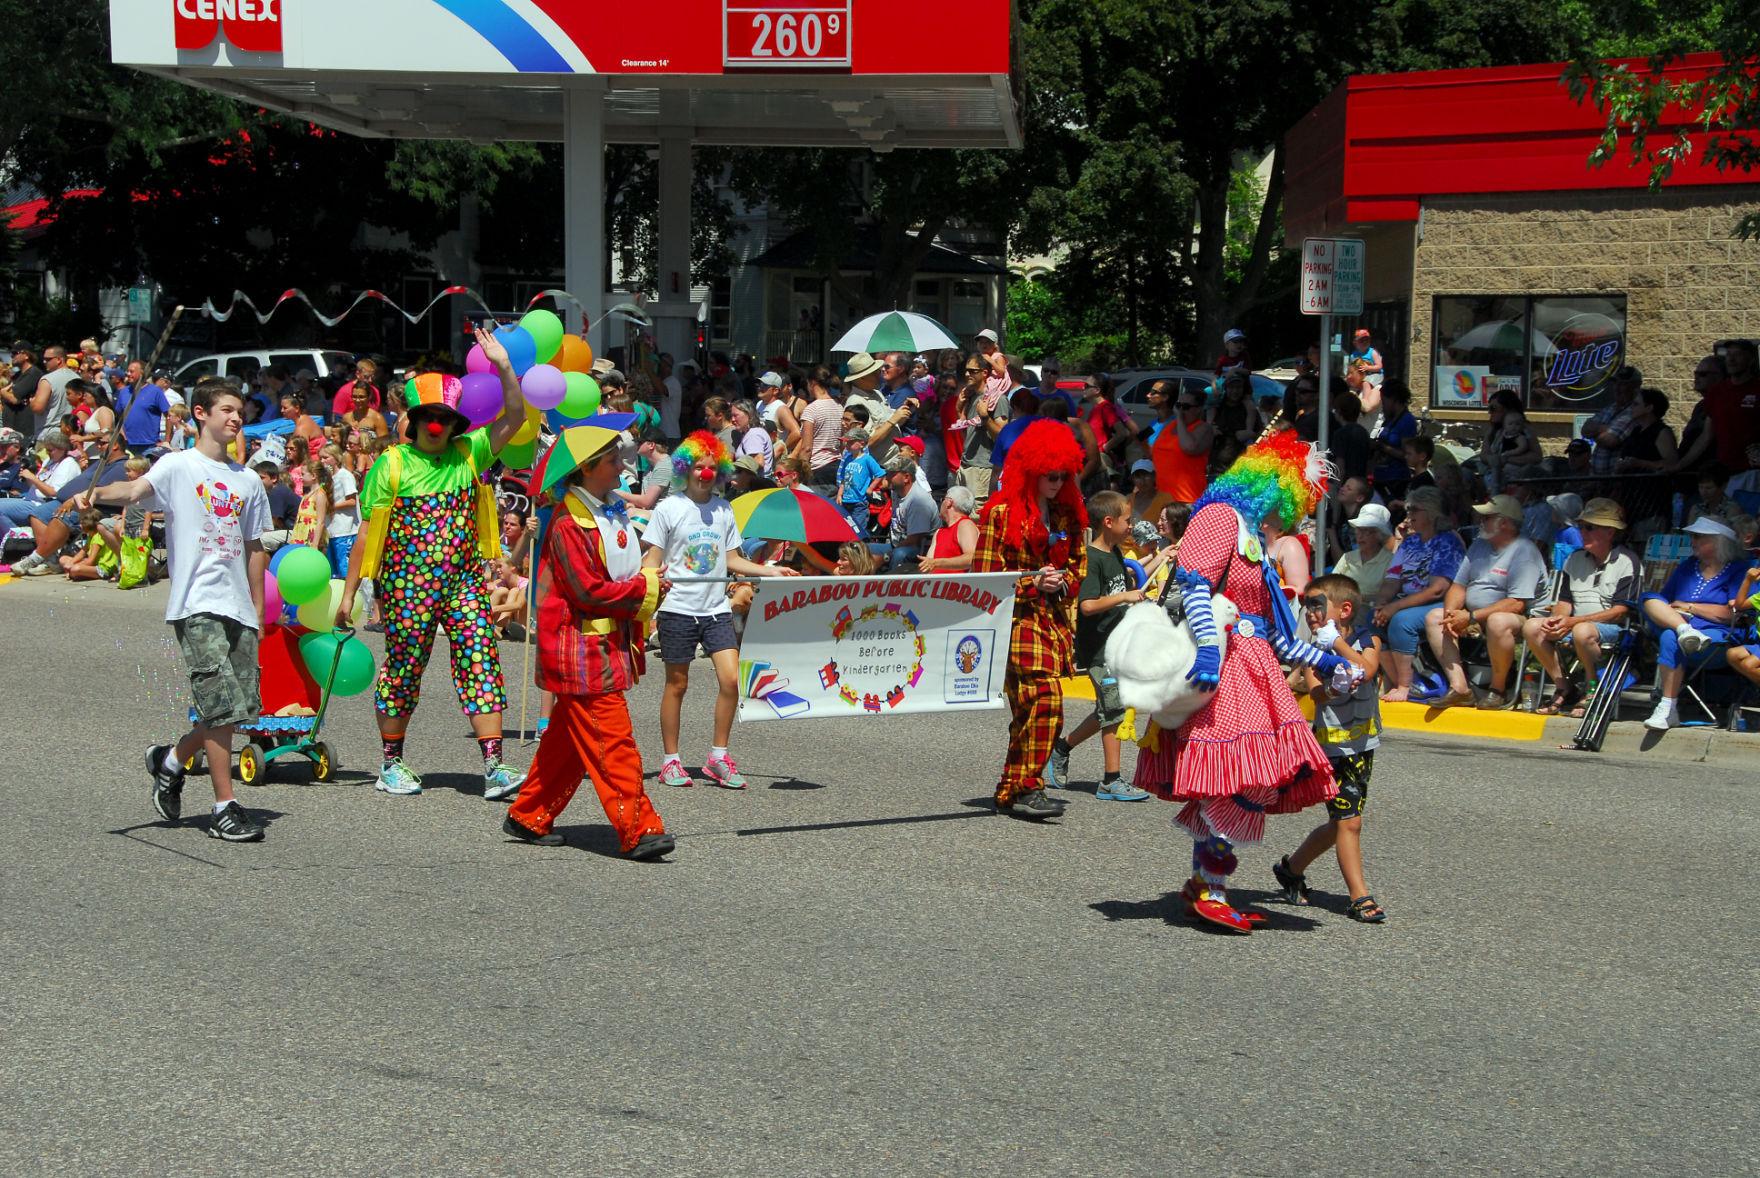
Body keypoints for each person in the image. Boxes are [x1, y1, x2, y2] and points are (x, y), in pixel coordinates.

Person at [1126, 430, 1355, 933]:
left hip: (1255, 670)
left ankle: (1202, 884)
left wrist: (1325, 659)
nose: (1295, 508)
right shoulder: (1219, 519)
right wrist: (1209, 648)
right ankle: (1210, 887)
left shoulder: (1254, 538)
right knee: (1232, 777)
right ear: (1272, 483)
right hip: (1227, 670)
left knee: (1241, 777)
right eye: (1295, 492)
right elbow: (1195, 589)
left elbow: (1269, 632)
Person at [338, 330, 528, 800]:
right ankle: (391, 763)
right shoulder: (393, 464)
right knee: (404, 669)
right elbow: (366, 533)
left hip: (464, 584)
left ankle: (495, 766)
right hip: (406, 587)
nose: (438, 425)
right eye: (431, 417)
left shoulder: (471, 452)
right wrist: (348, 594)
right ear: (418, 419)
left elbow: (517, 416)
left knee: (481, 660)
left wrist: (503, 365)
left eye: (446, 417)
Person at [78, 379, 270, 842]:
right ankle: (225, 806)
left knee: (234, 710)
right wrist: (97, 493)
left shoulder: (248, 481)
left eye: (240, 411)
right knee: (220, 707)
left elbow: (255, 547)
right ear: (201, 414)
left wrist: (259, 610)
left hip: (238, 607)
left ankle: (169, 760)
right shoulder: (177, 466)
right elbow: (132, 490)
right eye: (226, 409)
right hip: (196, 604)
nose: (236, 418)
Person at [501, 433, 675, 858]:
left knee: (567, 738)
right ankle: (640, 828)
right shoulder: (566, 524)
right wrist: (646, 587)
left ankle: (529, 812)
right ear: (587, 468)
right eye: (613, 460)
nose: (621, 467)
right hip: (577, 646)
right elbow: (588, 591)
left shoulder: (603, 512)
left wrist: (649, 580)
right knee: (611, 737)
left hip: (597, 642)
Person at [643, 431, 798, 789]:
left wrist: (771, 570)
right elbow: (652, 561)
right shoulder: (669, 508)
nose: (705, 474)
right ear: (686, 468)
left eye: (712, 468)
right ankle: (671, 761)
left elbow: (733, 560)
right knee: (677, 684)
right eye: (699, 467)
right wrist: (649, 588)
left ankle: (717, 756)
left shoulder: (723, 509)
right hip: (679, 609)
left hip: (715, 609)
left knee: (731, 681)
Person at [972, 420, 1088, 820]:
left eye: (1063, 476)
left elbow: (1078, 568)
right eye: (1050, 475)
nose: (1057, 483)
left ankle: (1014, 788)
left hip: (1052, 623)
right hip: (1016, 622)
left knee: (1031, 708)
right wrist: (1033, 582)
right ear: (1032, 470)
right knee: (1046, 698)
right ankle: (1027, 786)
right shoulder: (1001, 514)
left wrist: (1062, 580)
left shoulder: (1066, 515)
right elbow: (985, 579)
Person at [1271, 574, 1387, 923]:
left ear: (1345, 609)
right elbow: (1316, 691)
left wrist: (1337, 644)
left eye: (1317, 606)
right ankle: (1360, 897)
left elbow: (1366, 670)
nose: (1310, 613)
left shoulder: (1367, 639)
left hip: (1363, 746)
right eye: (1307, 607)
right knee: (1349, 823)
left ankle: (1292, 868)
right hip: (1332, 749)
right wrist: (1331, 688)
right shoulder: (1312, 651)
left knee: (1341, 823)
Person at [1043, 490, 1157, 801]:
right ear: (1108, 522)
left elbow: (1122, 592)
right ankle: (1111, 780)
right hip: (1098, 649)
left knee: (1106, 709)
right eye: (1127, 520)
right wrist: (1124, 598)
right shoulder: (1092, 559)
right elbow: (1088, 606)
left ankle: (1063, 746)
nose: (1131, 526)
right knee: (1114, 709)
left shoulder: (1117, 554)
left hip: (1118, 646)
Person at [1423, 495, 1547, 709]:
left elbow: (1516, 603)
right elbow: (1459, 586)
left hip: (1519, 620)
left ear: (1505, 523)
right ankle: (1460, 688)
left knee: (1498, 621)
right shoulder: (1479, 545)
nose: (1481, 521)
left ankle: (1497, 689)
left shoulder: (1524, 551)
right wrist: (1451, 614)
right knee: (1435, 617)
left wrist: (1470, 617)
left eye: (1487, 517)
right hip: (1475, 617)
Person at [1524, 498, 1638, 717]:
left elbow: (1620, 611)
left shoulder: (1627, 561)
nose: (1582, 532)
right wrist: (1556, 619)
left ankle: (1592, 686)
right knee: (1533, 626)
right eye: (1582, 526)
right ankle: (1564, 686)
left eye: (1589, 527)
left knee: (1582, 631)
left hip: (1612, 629)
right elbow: (1565, 602)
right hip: (1576, 625)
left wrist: (1573, 622)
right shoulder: (1574, 559)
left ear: (1610, 532)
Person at [1640, 516, 1750, 730]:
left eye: (1699, 537)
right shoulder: (1688, 566)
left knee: (1670, 636)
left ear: (1719, 541)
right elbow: (1663, 600)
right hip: (1680, 625)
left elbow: (1733, 613)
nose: (1692, 541)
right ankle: (1685, 631)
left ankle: (1668, 707)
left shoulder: (1739, 570)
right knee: (1648, 598)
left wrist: (1691, 607)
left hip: (1715, 639)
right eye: (1692, 536)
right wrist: (1680, 616)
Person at [1373, 486, 1465, 701]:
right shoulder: (1411, 542)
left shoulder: (1448, 541)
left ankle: (1405, 685)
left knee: (1400, 621)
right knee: (1372, 619)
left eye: (1414, 510)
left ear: (1432, 512)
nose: (1409, 515)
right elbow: (1392, 578)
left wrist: (1393, 607)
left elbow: (1437, 589)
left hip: (1438, 602)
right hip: (1406, 600)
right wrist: (1381, 603)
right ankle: (1399, 680)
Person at [1151, 383, 1211, 503]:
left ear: (1199, 409)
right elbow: (1155, 454)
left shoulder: (1203, 428)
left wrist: (1179, 418)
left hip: (1186, 499)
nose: (1181, 410)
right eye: (1179, 406)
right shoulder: (1170, 426)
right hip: (1161, 495)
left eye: (1186, 407)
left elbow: (1189, 448)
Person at [1583, 365, 1643, 476]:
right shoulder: (1610, 408)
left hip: (1616, 481)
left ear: (1635, 387)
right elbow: (1585, 429)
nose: (1617, 388)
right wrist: (1607, 428)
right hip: (1597, 479)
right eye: (1616, 383)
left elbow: (1610, 440)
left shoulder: (1635, 412)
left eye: (1623, 384)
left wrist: (1596, 432)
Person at [793, 364, 845, 488]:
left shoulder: (811, 409)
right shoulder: (839, 406)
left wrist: (801, 473)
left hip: (818, 468)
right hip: (837, 466)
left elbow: (807, 448)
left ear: (812, 383)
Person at [1369, 380, 1418, 498]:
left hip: (1395, 479)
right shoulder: (1389, 420)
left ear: (1394, 399)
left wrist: (1383, 447)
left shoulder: (1407, 421)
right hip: (1380, 476)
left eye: (1384, 401)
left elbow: (1406, 454)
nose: (1383, 405)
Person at [1208, 369, 1262, 474]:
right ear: (1225, 388)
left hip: (1241, 468)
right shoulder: (1216, 407)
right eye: (1231, 387)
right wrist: (1210, 431)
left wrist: (1251, 435)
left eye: (1238, 387)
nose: (1235, 391)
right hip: (1217, 466)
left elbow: (1261, 434)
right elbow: (1202, 431)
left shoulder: (1249, 409)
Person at [1333, 503, 1394, 595]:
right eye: (1358, 529)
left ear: (1379, 535)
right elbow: (1331, 584)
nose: (1360, 536)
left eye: (1366, 531)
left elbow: (1387, 594)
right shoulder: (1348, 557)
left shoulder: (1390, 561)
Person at [835, 426, 885, 538]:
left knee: (858, 530)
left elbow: (880, 473)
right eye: (846, 443)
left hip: (859, 502)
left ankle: (860, 550)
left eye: (850, 442)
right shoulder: (847, 459)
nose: (847, 445)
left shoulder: (867, 459)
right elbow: (844, 478)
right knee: (846, 529)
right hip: (846, 500)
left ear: (861, 443)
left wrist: (870, 488)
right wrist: (839, 494)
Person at [918, 486, 981, 573]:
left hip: (958, 585)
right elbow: (928, 563)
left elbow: (972, 558)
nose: (941, 503)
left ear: (949, 502)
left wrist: (936, 563)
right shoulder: (939, 532)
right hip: (936, 584)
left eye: (942, 500)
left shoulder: (965, 524)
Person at [1614, 388, 1678, 474]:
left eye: (1636, 404)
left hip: (1652, 485)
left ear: (1649, 408)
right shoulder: (1636, 430)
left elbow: (1672, 463)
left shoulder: (1662, 432)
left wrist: (1641, 463)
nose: (1631, 407)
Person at [59, 506, 121, 581]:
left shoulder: (98, 537)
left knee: (75, 569)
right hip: (95, 564)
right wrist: (71, 562)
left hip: (104, 569)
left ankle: (81, 574)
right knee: (63, 559)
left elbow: (90, 561)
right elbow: (82, 552)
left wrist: (73, 566)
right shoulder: (91, 535)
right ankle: (80, 573)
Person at [1331, 390, 1372, 482]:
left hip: (1346, 482)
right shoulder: (1363, 432)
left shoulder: (1340, 434)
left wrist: (1337, 485)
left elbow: (1340, 466)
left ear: (1339, 411)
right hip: (1360, 481)